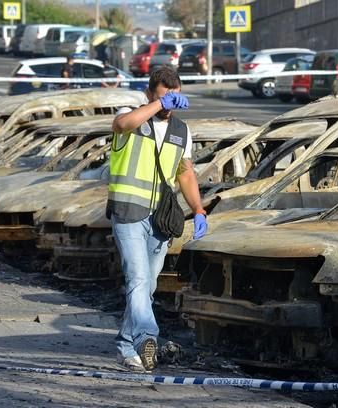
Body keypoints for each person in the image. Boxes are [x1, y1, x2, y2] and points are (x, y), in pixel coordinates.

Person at [108, 67, 208, 372]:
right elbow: (122, 124)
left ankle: (127, 347)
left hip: (160, 219)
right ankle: (146, 338)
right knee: (137, 279)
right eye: (165, 97)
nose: (170, 105)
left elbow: (185, 172)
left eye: (175, 98)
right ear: (151, 93)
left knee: (148, 284)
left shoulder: (182, 131)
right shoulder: (132, 114)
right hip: (127, 213)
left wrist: (199, 209)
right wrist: (157, 105)